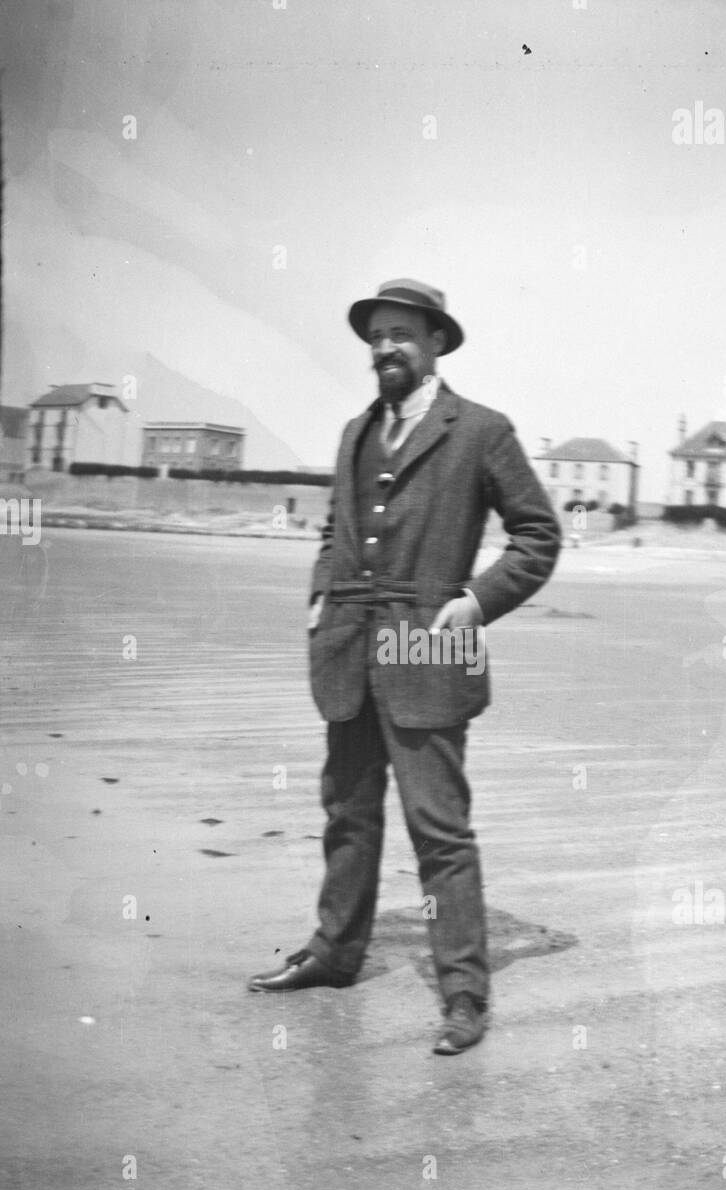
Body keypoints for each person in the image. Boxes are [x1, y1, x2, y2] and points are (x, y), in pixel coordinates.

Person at [247, 278, 561, 1054]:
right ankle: (335, 951)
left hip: (430, 643)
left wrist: (477, 604)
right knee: (347, 812)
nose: (384, 348)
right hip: (350, 644)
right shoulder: (356, 432)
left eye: (400, 335)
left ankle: (463, 993)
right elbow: (334, 531)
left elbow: (538, 534)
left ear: (435, 344)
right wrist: (322, 596)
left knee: (439, 830)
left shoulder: (481, 431)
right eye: (375, 336)